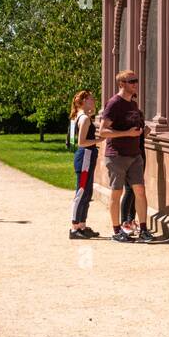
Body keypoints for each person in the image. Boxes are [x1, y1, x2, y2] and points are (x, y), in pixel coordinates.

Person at [100, 70, 155, 244]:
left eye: (136, 80)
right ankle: (117, 231)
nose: (135, 83)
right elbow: (103, 131)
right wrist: (127, 133)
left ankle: (144, 230)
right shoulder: (114, 104)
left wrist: (142, 133)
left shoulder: (132, 104)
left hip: (135, 155)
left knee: (140, 191)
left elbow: (134, 129)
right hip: (117, 156)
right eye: (131, 80)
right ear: (121, 84)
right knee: (117, 193)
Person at [69, 89, 99, 239]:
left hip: (87, 156)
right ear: (84, 101)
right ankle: (74, 228)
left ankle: (82, 225)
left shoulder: (82, 117)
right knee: (81, 192)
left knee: (87, 192)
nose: (94, 101)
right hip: (85, 156)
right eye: (91, 99)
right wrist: (98, 140)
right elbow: (81, 142)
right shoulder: (84, 119)